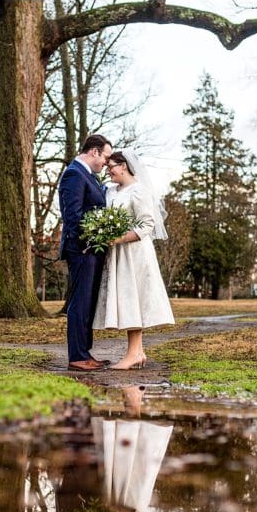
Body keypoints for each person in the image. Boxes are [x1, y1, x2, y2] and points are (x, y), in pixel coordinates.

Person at [93, 149, 175, 370]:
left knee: (134, 298)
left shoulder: (138, 191)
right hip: (118, 255)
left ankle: (133, 354)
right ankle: (137, 352)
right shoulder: (110, 191)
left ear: (124, 166)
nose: (109, 172)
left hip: (135, 253)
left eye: (111, 167)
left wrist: (118, 238)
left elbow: (147, 225)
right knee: (126, 299)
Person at [58, 134, 114, 371]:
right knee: (79, 303)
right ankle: (77, 356)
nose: (107, 163)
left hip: (92, 250)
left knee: (88, 303)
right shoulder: (74, 174)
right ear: (94, 152)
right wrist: (86, 243)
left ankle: (85, 353)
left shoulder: (88, 177)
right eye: (106, 157)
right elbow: (72, 216)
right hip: (81, 249)